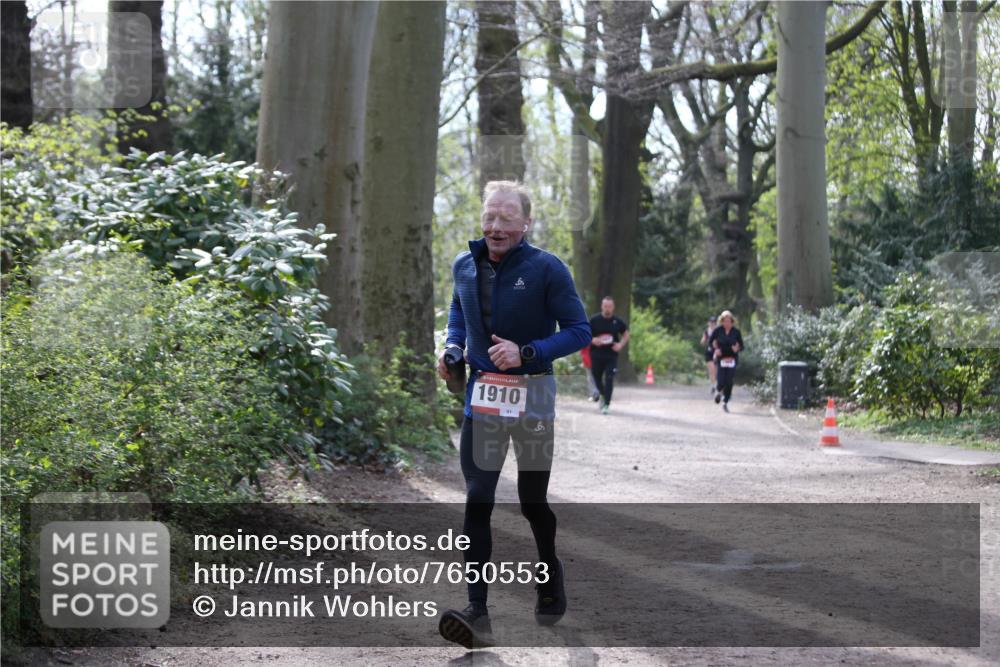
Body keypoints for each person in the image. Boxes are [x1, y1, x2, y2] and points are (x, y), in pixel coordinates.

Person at [436, 180, 590, 649]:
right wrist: (453, 349)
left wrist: (527, 352)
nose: (496, 226)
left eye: (506, 218)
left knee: (531, 501)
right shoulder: (465, 265)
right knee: (478, 496)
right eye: (490, 216)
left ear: (526, 223)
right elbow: (457, 317)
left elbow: (579, 331)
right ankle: (477, 612)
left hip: (535, 395)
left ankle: (549, 571)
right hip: (484, 396)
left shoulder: (547, 269)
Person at [588, 297, 629, 414]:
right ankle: (602, 395)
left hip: (611, 355)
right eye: (605, 306)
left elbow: (626, 334)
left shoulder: (617, 321)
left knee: (610, 378)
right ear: (602, 306)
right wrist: (593, 340)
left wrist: (620, 345)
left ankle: (606, 404)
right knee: (597, 377)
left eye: (610, 307)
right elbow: (585, 334)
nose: (607, 309)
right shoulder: (594, 320)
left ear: (613, 307)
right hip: (596, 354)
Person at [709, 310, 744, 413]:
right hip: (721, 359)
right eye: (725, 321)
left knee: (729, 381)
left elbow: (742, 345)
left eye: (729, 321)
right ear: (722, 321)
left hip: (732, 360)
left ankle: (725, 401)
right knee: (721, 380)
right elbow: (710, 342)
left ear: (732, 322)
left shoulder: (736, 332)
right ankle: (718, 391)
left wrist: (737, 348)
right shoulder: (718, 331)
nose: (727, 323)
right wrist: (715, 350)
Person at [700, 315, 718, 395]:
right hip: (709, 352)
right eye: (711, 322)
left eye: (714, 322)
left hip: (717, 352)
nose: (713, 324)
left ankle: (717, 385)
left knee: (716, 371)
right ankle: (713, 386)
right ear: (709, 323)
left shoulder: (719, 331)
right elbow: (702, 342)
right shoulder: (706, 331)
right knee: (711, 370)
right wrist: (705, 340)